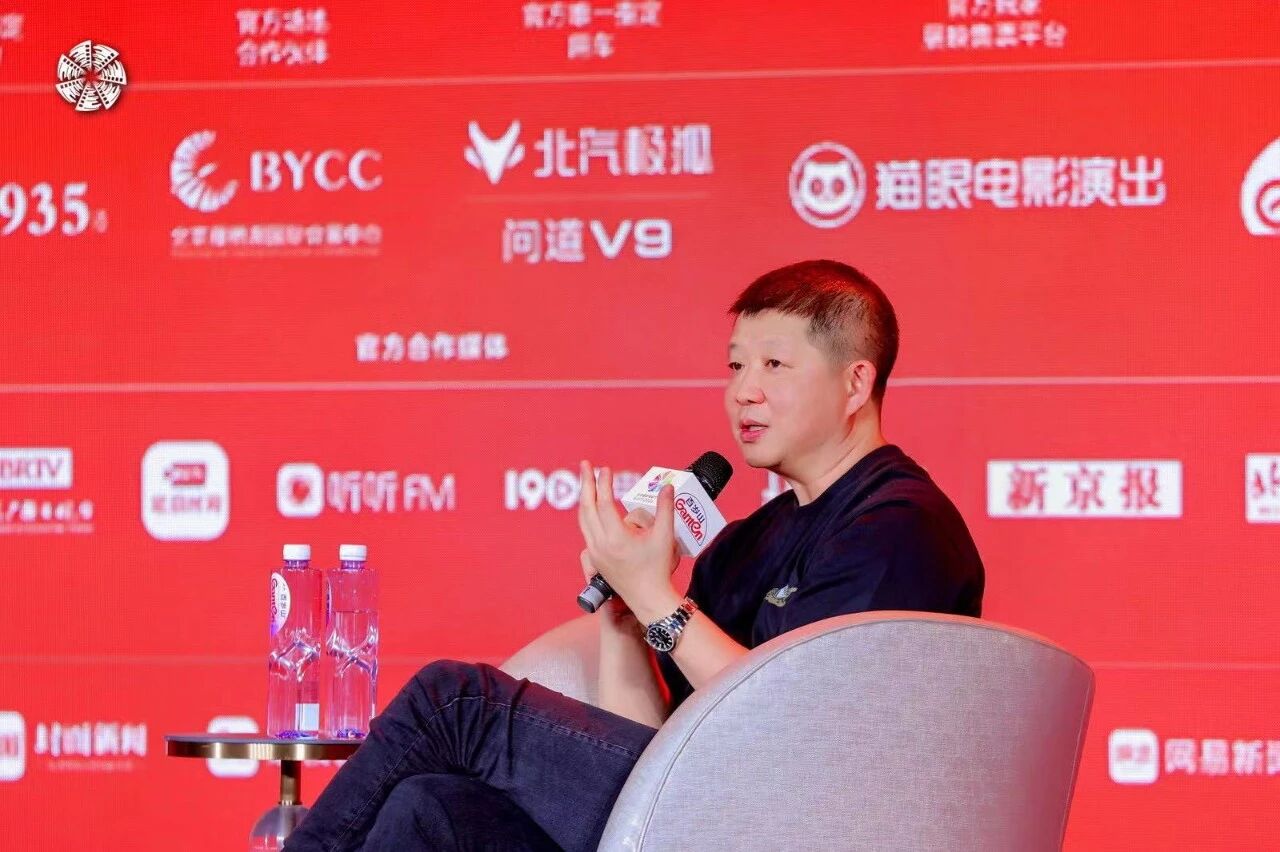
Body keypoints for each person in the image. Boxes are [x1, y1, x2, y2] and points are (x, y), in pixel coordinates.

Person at [284, 259, 985, 852]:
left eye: (774, 365)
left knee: (456, 700)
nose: (743, 391)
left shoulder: (899, 527)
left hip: (792, 822)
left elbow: (788, 733)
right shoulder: (745, 542)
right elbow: (651, 743)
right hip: (693, 807)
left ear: (855, 383)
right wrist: (625, 608)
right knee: (428, 809)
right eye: (736, 365)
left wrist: (658, 598)